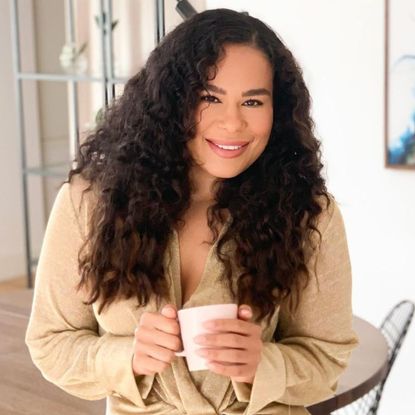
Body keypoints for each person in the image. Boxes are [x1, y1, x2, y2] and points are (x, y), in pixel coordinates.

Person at [25, 8, 359, 415]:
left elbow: (328, 360)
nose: (233, 123)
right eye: (209, 97)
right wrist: (126, 356)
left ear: (278, 110)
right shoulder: (90, 203)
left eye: (252, 101)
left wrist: (264, 364)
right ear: (171, 101)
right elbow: (50, 343)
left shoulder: (309, 216)